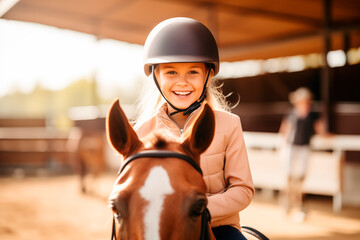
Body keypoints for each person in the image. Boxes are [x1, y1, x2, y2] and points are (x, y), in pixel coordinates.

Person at [134, 17, 254, 239]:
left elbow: (243, 190)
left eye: (193, 72)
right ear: (156, 77)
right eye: (171, 72)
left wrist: (196, 210)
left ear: (207, 76)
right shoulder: (142, 133)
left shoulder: (229, 124)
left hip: (220, 228)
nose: (182, 82)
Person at [279, 87, 326, 222]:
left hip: (304, 149)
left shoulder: (312, 115)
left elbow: (320, 129)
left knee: (300, 179)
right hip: (290, 148)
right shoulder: (291, 113)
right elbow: (284, 130)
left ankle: (299, 206)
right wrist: (281, 146)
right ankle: (287, 203)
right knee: (289, 178)